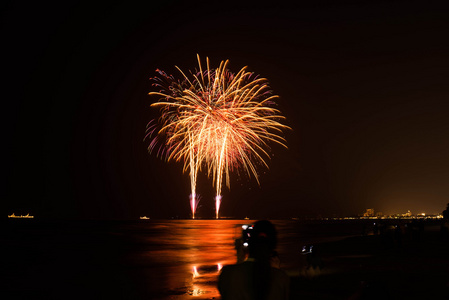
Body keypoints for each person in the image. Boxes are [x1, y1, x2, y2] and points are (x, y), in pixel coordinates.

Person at [218, 220, 290, 300]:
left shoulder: (228, 274)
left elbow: (226, 292)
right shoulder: (281, 278)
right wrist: (275, 270)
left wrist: (239, 262)